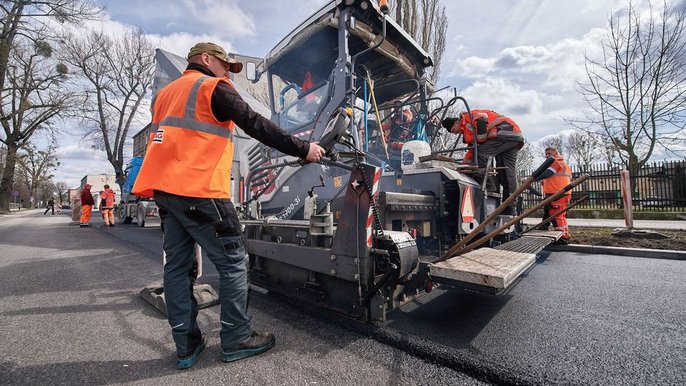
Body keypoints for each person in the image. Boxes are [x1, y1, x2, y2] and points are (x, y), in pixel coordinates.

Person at [131, 42, 326, 370]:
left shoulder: (165, 95)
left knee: (177, 269)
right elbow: (255, 122)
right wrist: (303, 148)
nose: (229, 75)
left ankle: (187, 346)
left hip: (166, 190)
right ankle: (236, 337)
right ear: (206, 60)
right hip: (200, 189)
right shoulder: (212, 87)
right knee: (234, 261)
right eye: (226, 66)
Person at [442, 110, 524, 215]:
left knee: (482, 154)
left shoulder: (467, 118)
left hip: (504, 133)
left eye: (453, 129)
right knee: (507, 173)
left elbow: (481, 122)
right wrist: (462, 167)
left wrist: (481, 139)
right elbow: (472, 151)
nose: (454, 133)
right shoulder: (467, 130)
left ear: (456, 122)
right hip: (512, 135)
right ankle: (510, 207)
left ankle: (490, 186)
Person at [536, 147, 572, 244]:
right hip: (560, 192)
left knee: (557, 215)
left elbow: (548, 173)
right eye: (546, 154)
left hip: (558, 193)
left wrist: (533, 178)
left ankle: (563, 237)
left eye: (549, 153)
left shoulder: (557, 162)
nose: (547, 155)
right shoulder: (564, 164)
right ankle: (562, 233)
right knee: (556, 214)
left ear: (556, 153)